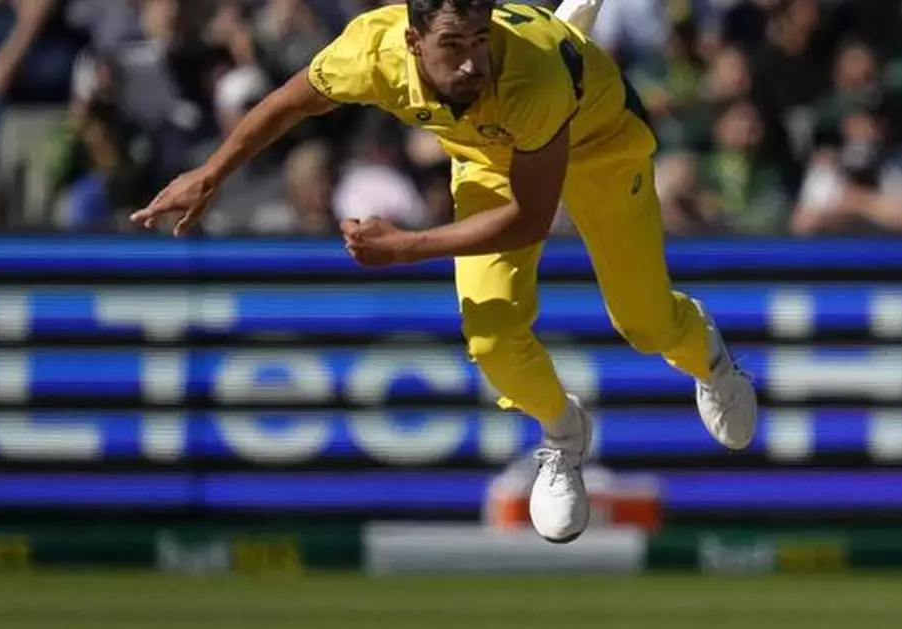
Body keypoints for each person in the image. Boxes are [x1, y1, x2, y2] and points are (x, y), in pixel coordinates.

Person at [129, 0, 757, 544]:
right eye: (451, 46)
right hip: (489, 158)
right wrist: (210, 173)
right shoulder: (372, 49)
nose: (469, 63)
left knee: (643, 323)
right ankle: (563, 438)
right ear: (412, 41)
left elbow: (530, 219)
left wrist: (407, 246)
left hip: (597, 141)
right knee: (488, 335)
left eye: (481, 41)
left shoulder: (527, 77)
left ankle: (711, 358)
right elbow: (291, 102)